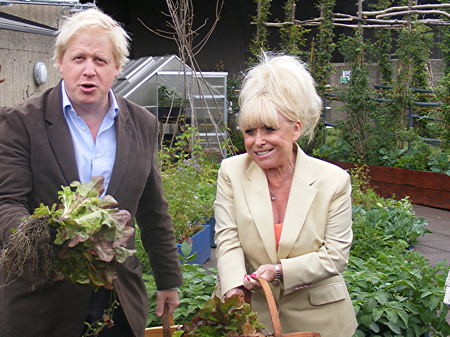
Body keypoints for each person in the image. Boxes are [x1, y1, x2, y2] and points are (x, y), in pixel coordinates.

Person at [0, 8, 182, 337]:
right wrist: (47, 243)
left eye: (99, 60)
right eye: (78, 58)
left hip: (117, 300)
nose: (88, 71)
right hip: (42, 303)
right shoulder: (21, 123)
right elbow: (6, 202)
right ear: (60, 62)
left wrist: (169, 280)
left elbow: (154, 211)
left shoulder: (142, 124)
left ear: (116, 68)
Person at [214, 53, 357, 337]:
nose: (258, 142)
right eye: (249, 131)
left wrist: (279, 272)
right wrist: (234, 287)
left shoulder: (334, 181)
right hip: (247, 316)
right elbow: (227, 237)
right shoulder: (231, 171)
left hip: (318, 320)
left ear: (296, 128)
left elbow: (335, 256)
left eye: (269, 129)